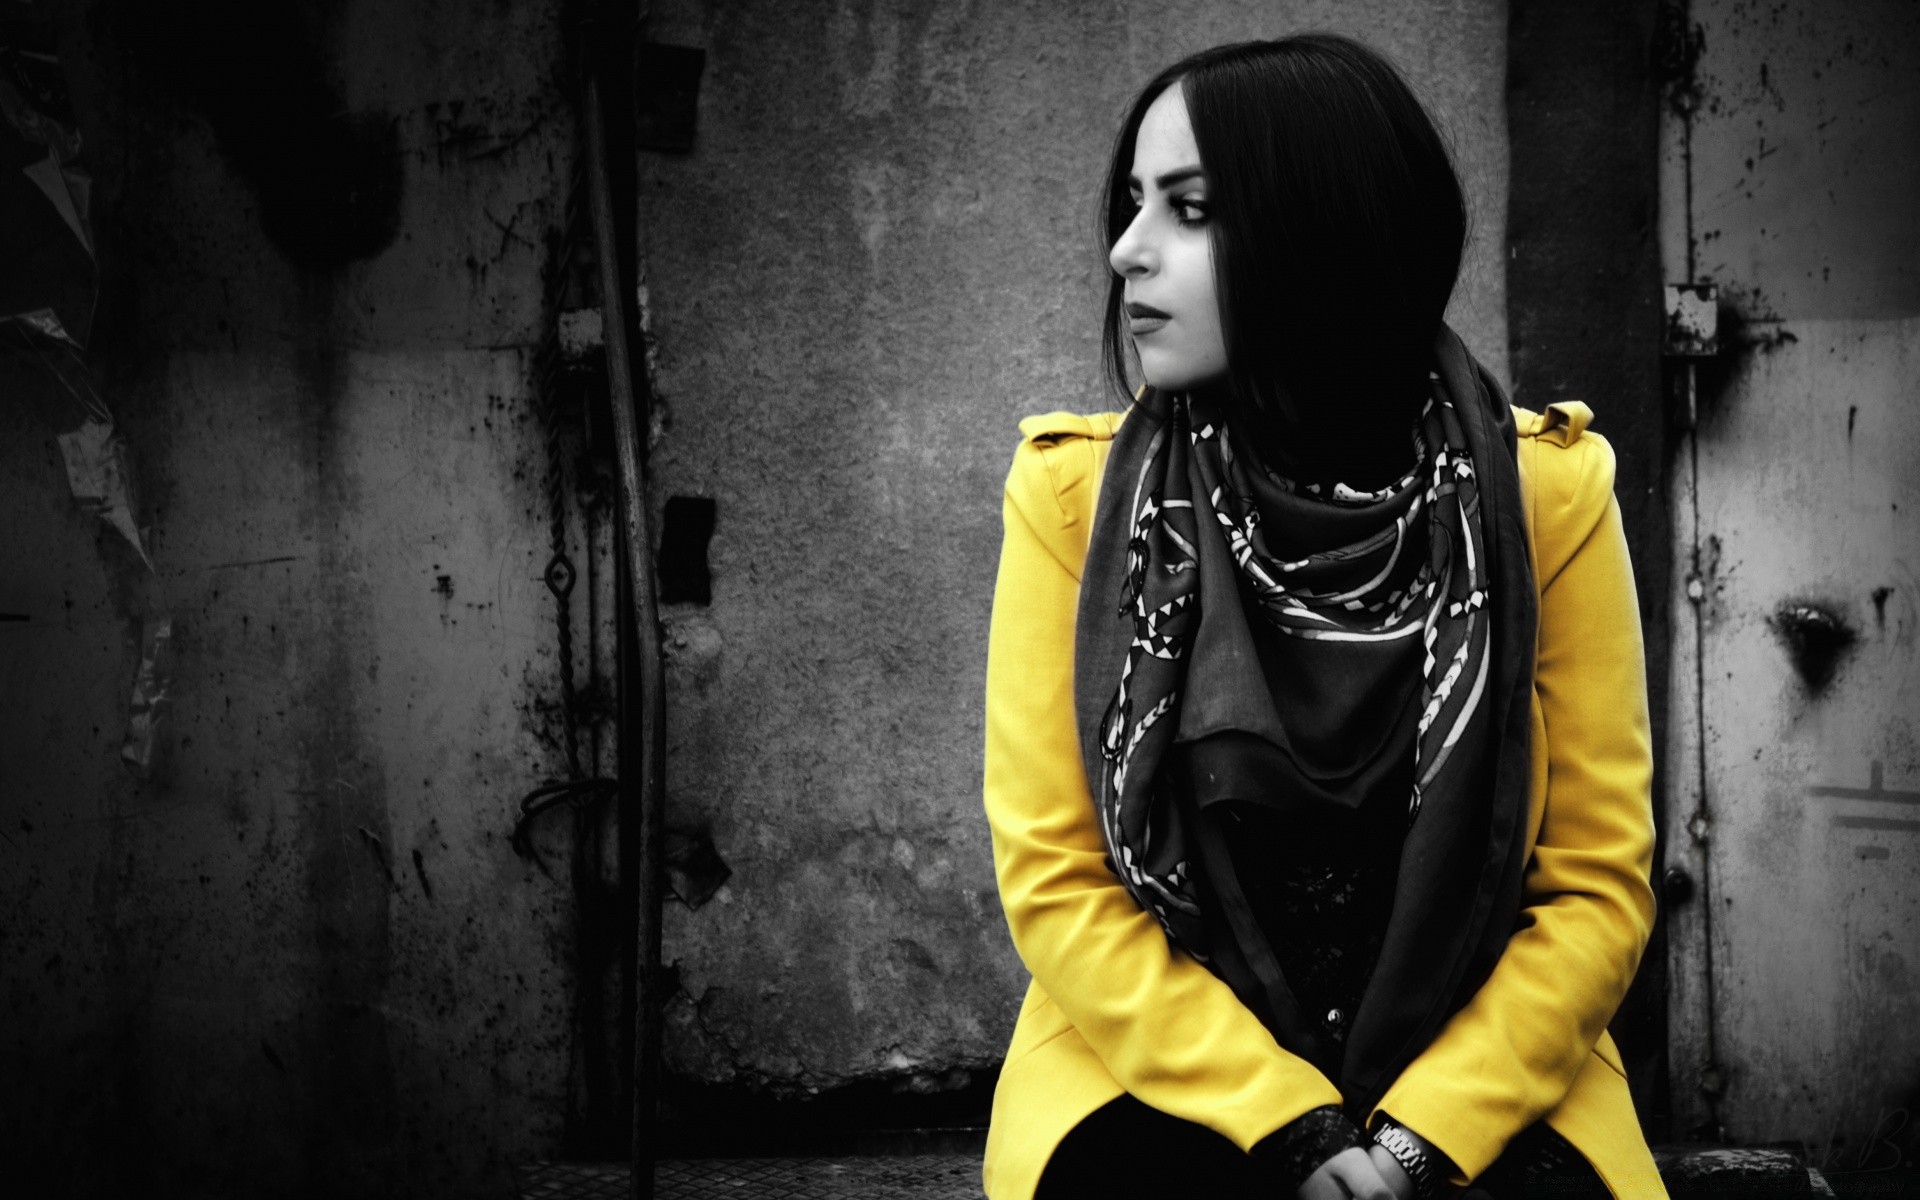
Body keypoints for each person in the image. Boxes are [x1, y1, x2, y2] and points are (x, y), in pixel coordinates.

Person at [979, 34, 1665, 1200]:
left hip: (1482, 1075)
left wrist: (1423, 1134)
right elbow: (1059, 880)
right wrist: (1289, 1125)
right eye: (1133, 204)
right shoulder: (1075, 502)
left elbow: (1596, 888)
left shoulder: (1547, 495)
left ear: (1325, 233)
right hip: (1166, 1073)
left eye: (1189, 210)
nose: (1126, 248)